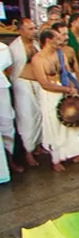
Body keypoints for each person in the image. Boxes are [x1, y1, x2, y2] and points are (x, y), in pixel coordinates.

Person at [32, 29, 79, 171]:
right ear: (48, 40)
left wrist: (72, 90)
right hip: (49, 94)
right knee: (54, 125)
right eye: (58, 38)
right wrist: (66, 90)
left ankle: (76, 154)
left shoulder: (61, 54)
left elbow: (68, 73)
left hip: (64, 90)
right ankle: (56, 159)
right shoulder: (38, 59)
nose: (62, 41)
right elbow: (44, 83)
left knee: (71, 121)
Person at [9, 18, 44, 167]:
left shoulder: (36, 44)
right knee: (27, 118)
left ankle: (38, 145)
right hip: (22, 85)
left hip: (37, 84)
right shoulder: (14, 48)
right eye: (30, 29)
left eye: (34, 28)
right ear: (20, 30)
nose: (34, 31)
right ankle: (28, 152)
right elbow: (10, 69)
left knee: (39, 115)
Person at [0, 42, 23, 173]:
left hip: (1, 88)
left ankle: (9, 161)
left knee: (6, 122)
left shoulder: (2, 48)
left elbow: (8, 69)